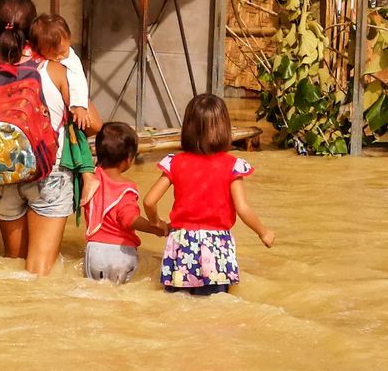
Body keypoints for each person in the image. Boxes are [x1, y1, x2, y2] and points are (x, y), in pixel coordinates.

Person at [0, 0, 100, 276]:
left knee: (14, 264)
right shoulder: (53, 70)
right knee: (40, 269)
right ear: (33, 28)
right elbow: (94, 124)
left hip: (2, 172)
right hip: (49, 173)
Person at [143, 94, 275, 295]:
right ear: (225, 128)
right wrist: (263, 232)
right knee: (215, 308)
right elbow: (242, 209)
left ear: (188, 128)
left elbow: (149, 201)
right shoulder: (232, 166)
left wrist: (156, 222)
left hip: (181, 246)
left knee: (177, 304)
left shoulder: (174, 163)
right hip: (216, 248)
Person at [29, 14, 99, 220]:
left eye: (62, 51)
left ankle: (88, 176)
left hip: (19, 161)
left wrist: (78, 106)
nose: (61, 57)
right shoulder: (58, 69)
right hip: (52, 162)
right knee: (77, 133)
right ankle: (88, 175)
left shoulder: (15, 66)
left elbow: (79, 80)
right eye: (55, 54)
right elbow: (95, 125)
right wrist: (79, 106)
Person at [83, 122, 166, 284]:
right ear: (128, 159)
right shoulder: (126, 188)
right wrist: (155, 228)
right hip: (120, 254)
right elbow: (129, 219)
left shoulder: (90, 179)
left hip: (93, 252)